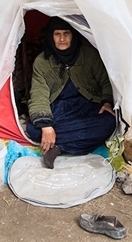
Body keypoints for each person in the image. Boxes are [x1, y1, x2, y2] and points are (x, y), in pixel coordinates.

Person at [26, 17, 117, 168]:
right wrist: (46, 126)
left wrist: (106, 102)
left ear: (73, 35)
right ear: (51, 36)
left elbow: (106, 82)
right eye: (57, 34)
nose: (62, 38)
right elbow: (38, 93)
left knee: (110, 122)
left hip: (87, 106)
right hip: (58, 109)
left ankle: (58, 147)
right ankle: (70, 142)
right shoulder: (42, 62)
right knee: (34, 129)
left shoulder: (89, 55)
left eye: (66, 33)